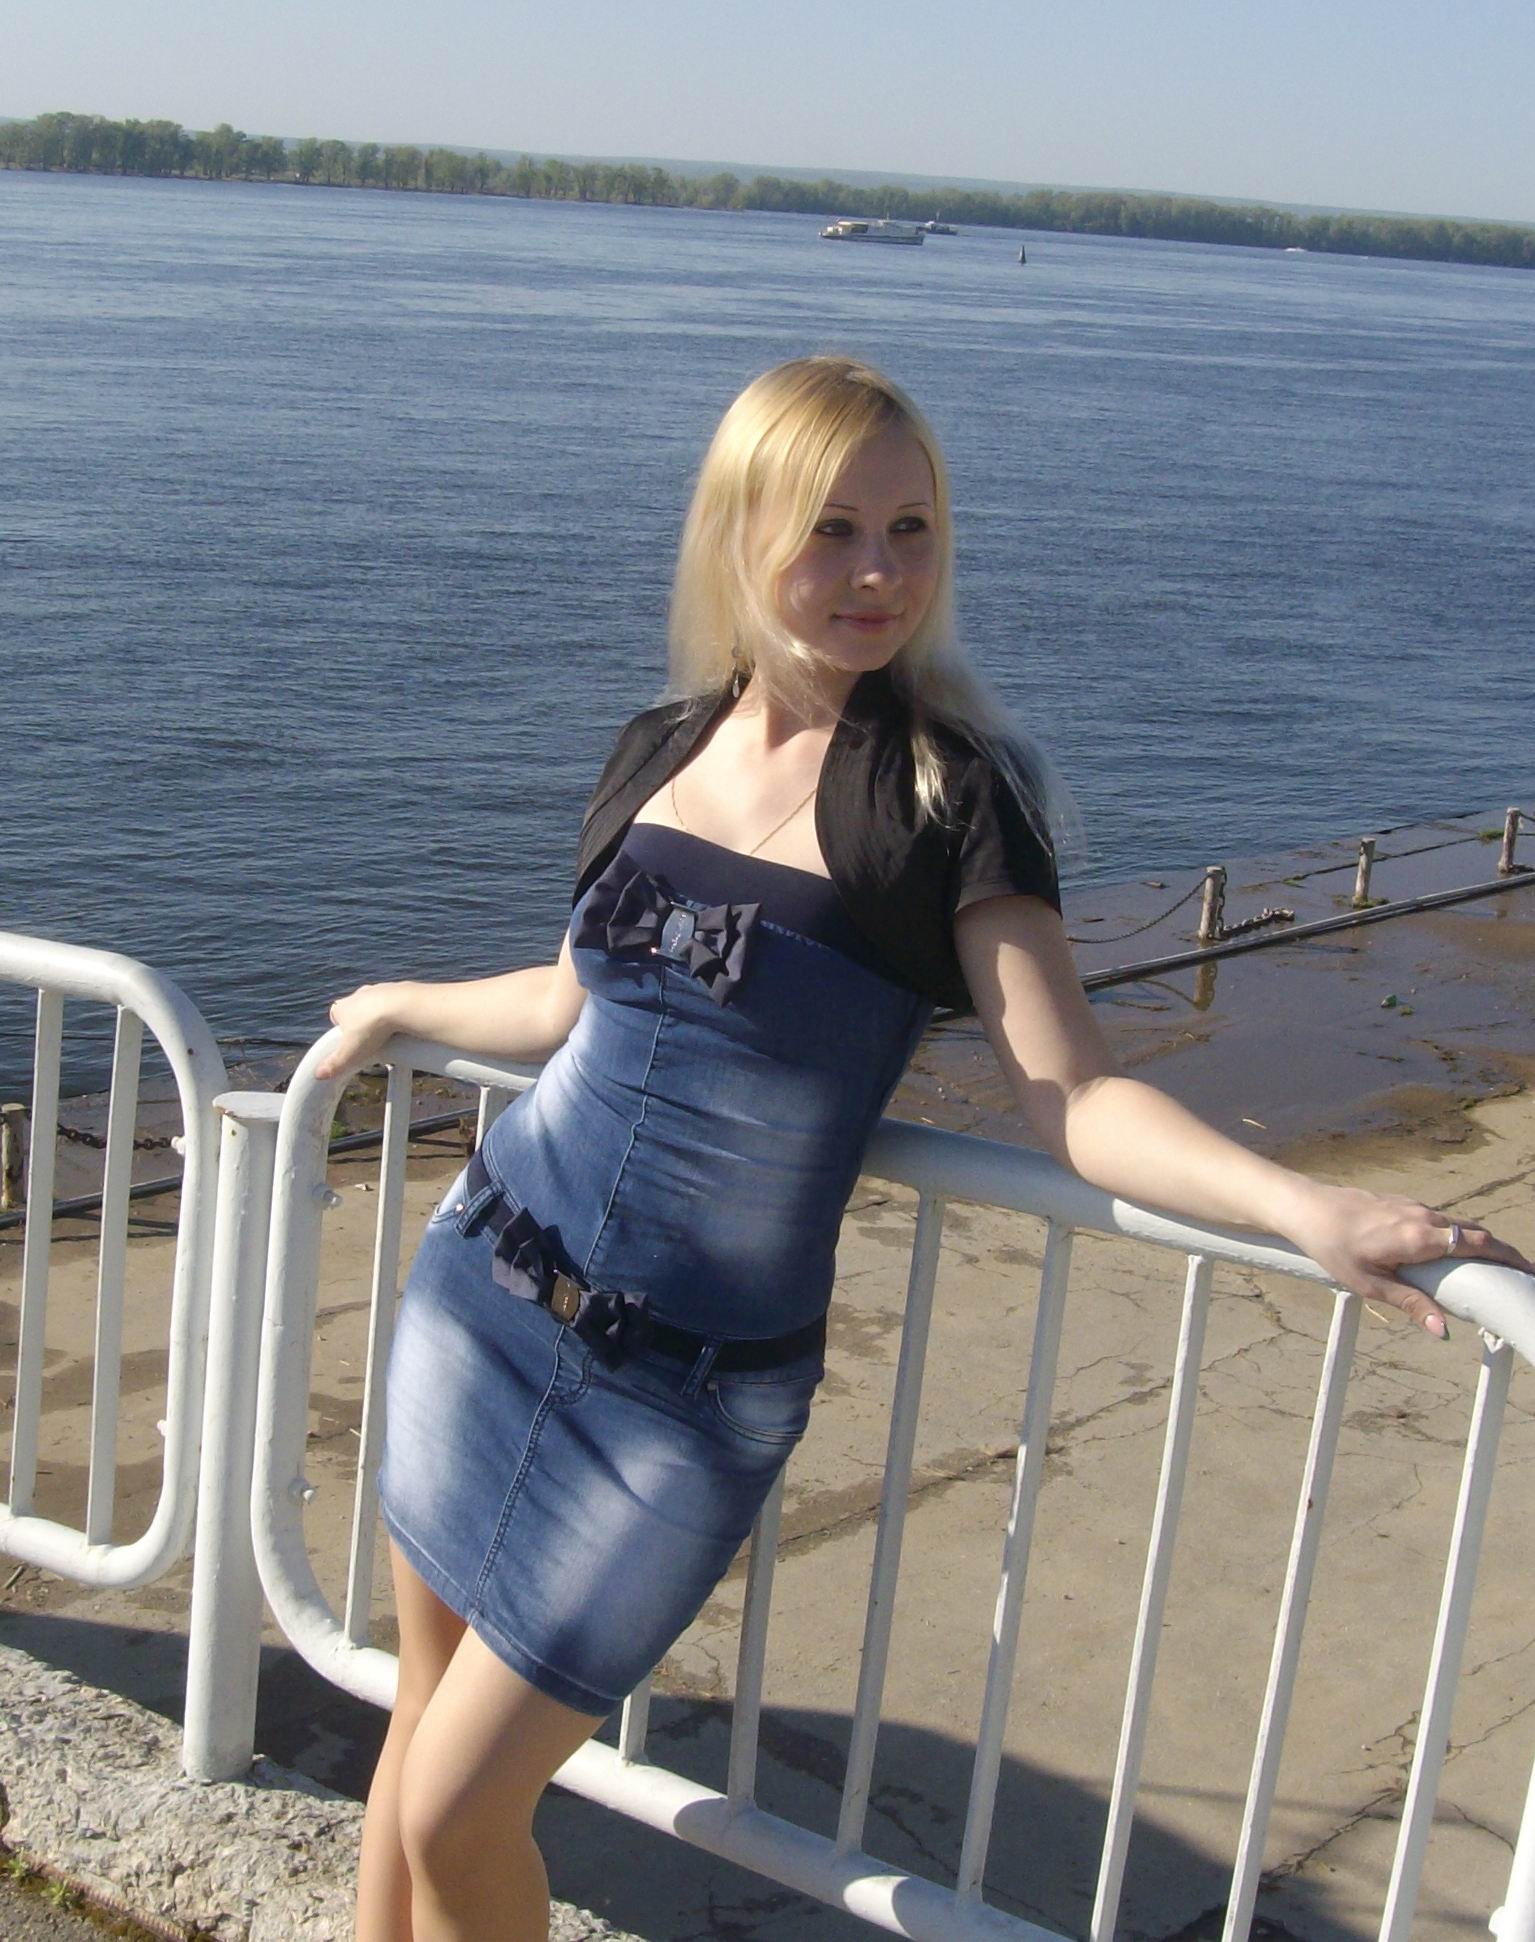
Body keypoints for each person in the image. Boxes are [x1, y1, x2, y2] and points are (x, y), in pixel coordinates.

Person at [319, 355, 1528, 1942]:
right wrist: (399, 1004)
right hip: (482, 1293)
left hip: (679, 1401)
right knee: (412, 1726)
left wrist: (1302, 1204)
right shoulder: (659, 746)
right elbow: (565, 1004)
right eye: (832, 528)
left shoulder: (948, 795)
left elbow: (1072, 1093)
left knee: (459, 1809)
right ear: (740, 530)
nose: (878, 570)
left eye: (911, 528)